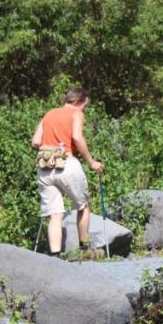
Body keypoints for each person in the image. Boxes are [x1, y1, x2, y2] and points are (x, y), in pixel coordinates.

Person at [31, 88, 104, 256]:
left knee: (55, 214)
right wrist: (91, 162)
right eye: (84, 106)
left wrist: (51, 145)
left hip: (44, 166)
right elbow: (77, 137)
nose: (84, 110)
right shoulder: (76, 114)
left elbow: (35, 142)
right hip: (67, 163)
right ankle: (84, 249)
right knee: (83, 206)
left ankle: (55, 255)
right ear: (79, 102)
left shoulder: (49, 114)